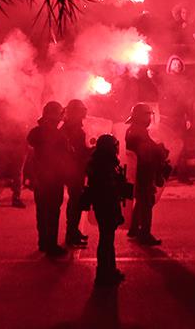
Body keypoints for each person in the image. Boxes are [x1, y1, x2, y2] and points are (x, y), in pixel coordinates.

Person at [27, 101, 71, 257]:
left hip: (40, 178)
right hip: (53, 180)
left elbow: (32, 146)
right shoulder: (59, 136)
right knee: (52, 212)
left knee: (41, 211)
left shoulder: (35, 132)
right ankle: (51, 245)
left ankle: (43, 243)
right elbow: (65, 159)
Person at [85, 134, 128, 286]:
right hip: (107, 205)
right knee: (106, 240)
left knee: (106, 239)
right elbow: (110, 189)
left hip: (101, 205)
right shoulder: (106, 165)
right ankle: (105, 271)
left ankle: (108, 270)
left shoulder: (98, 161)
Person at [125, 103, 170, 246]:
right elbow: (146, 153)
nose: (149, 118)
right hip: (144, 171)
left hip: (139, 171)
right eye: (148, 115)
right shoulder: (138, 131)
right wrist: (160, 152)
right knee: (146, 201)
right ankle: (145, 233)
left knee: (141, 200)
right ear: (141, 116)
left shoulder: (134, 130)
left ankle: (133, 229)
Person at [60, 100, 90, 247]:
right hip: (73, 170)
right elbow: (74, 153)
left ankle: (74, 230)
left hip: (76, 169)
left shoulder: (74, 127)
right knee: (75, 202)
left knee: (77, 202)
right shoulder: (70, 130)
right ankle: (71, 234)